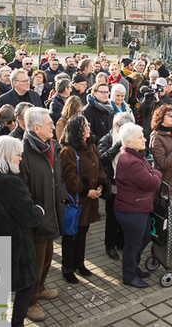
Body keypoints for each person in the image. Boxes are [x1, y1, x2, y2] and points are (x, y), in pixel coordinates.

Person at [0, 136, 43, 327]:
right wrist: (39, 210)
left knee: (0, 287)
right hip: (14, 247)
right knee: (26, 284)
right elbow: (30, 216)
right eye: (18, 155)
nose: (20, 159)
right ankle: (17, 323)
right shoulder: (10, 182)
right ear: (6, 155)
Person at [19, 107, 65, 322]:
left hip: (51, 211)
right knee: (34, 263)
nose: (53, 126)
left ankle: (40, 288)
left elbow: (57, 175)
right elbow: (21, 189)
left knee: (47, 257)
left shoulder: (50, 145)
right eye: (49, 124)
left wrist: (62, 196)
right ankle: (29, 302)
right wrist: (34, 213)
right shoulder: (23, 151)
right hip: (37, 217)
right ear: (36, 128)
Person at [59, 115, 108, 284]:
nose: (87, 128)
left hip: (89, 200)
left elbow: (100, 167)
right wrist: (87, 191)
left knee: (83, 233)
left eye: (87, 124)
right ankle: (67, 268)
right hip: (77, 201)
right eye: (83, 126)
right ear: (74, 131)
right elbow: (69, 177)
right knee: (71, 235)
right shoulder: (68, 151)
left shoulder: (91, 145)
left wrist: (101, 185)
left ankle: (79, 263)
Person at [114, 123, 162, 288]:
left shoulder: (136, 155)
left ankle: (133, 268)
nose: (145, 139)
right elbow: (152, 182)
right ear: (128, 142)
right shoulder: (131, 161)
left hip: (139, 208)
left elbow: (149, 173)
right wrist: (157, 172)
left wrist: (152, 172)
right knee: (133, 245)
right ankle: (129, 276)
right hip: (131, 210)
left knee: (145, 237)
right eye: (140, 137)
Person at [98, 113, 134, 261]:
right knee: (112, 217)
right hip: (113, 184)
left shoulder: (132, 137)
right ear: (117, 127)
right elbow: (103, 159)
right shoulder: (107, 139)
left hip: (129, 184)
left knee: (126, 215)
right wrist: (117, 146)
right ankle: (110, 245)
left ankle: (121, 242)